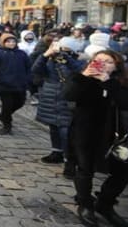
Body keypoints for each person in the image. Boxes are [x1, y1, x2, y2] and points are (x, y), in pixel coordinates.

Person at [63, 50, 128, 227]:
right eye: (98, 61)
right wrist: (84, 77)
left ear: (116, 65)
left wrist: (107, 82)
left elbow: (124, 103)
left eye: (107, 62)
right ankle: (85, 204)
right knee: (85, 168)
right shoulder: (82, 78)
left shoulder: (120, 82)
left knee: (122, 171)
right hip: (86, 131)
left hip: (114, 134)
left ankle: (105, 204)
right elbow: (69, 96)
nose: (102, 64)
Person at [31, 36, 85, 176]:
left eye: (65, 49)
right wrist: (45, 55)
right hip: (50, 96)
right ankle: (56, 152)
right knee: (53, 126)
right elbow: (36, 69)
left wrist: (67, 59)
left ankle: (70, 161)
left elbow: (81, 72)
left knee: (66, 131)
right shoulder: (51, 60)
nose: (61, 51)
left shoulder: (79, 60)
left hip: (67, 98)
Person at [0, 33, 31, 135]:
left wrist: (27, 79)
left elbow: (28, 67)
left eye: (13, 41)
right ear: (3, 42)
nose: (11, 43)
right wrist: (1, 78)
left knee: (20, 102)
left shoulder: (21, 54)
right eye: (9, 42)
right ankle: (7, 125)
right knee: (7, 105)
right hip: (5, 85)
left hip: (20, 84)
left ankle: (3, 115)